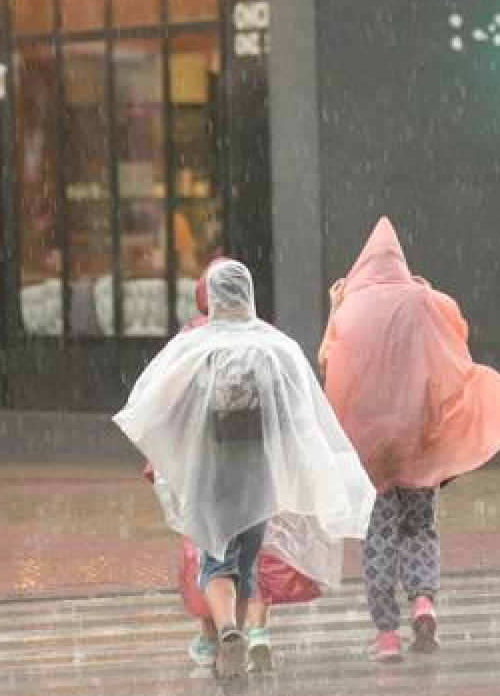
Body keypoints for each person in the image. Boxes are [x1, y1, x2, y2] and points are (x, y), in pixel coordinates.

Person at [115, 259, 375, 680]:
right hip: (259, 474)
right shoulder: (277, 346)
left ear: (212, 296)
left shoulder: (193, 346)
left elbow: (152, 407)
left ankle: (228, 632)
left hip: (211, 471)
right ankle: (234, 637)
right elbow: (305, 415)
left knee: (216, 557)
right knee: (247, 559)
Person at [319, 217, 500, 663]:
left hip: (369, 450)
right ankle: (424, 603)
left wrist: (335, 307)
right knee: (420, 529)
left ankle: (387, 636)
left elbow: (327, 360)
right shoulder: (424, 300)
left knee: (379, 539)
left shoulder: (351, 308)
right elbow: (456, 337)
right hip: (417, 442)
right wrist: (424, 293)